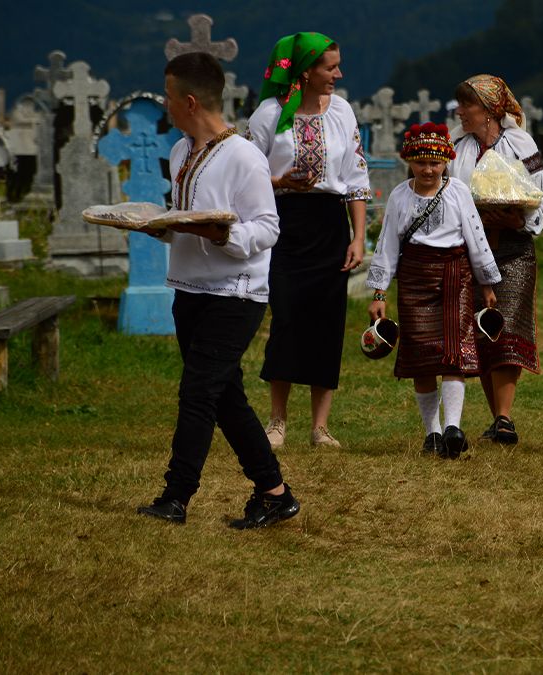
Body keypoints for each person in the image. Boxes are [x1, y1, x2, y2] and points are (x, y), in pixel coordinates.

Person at [136, 51, 299, 529]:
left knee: (198, 394)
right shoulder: (181, 151)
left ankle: (176, 496)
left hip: (236, 292)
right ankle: (274, 493)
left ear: (189, 101)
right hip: (189, 288)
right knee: (225, 397)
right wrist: (161, 227)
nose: (164, 105)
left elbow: (267, 229)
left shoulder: (244, 156)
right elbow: (185, 216)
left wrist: (223, 235)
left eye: (168, 97)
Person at [246, 32, 370, 450]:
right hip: (284, 221)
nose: (338, 73)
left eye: (337, 65)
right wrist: (280, 181)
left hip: (329, 223)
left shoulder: (343, 112)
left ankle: (320, 427)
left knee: (326, 322)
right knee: (286, 318)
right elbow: (247, 174)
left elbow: (355, 177)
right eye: (330, 67)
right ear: (305, 71)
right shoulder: (267, 114)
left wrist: (358, 237)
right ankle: (277, 421)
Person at [366, 122, 501, 458]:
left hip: (455, 277)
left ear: (446, 162)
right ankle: (433, 433)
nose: (428, 170)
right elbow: (387, 246)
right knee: (422, 357)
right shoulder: (399, 196)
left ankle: (454, 426)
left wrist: (486, 283)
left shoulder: (458, 193)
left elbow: (476, 239)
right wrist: (379, 293)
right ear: (408, 160)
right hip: (413, 278)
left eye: (435, 163)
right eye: (421, 162)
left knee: (454, 352)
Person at [450, 74, 543, 445]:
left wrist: (520, 217)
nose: (460, 112)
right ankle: (498, 420)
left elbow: (540, 192)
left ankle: (505, 416)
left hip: (513, 248)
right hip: (470, 251)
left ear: (490, 111)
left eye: (467, 106)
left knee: (504, 325)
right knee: (481, 332)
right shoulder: (457, 147)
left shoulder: (520, 143)